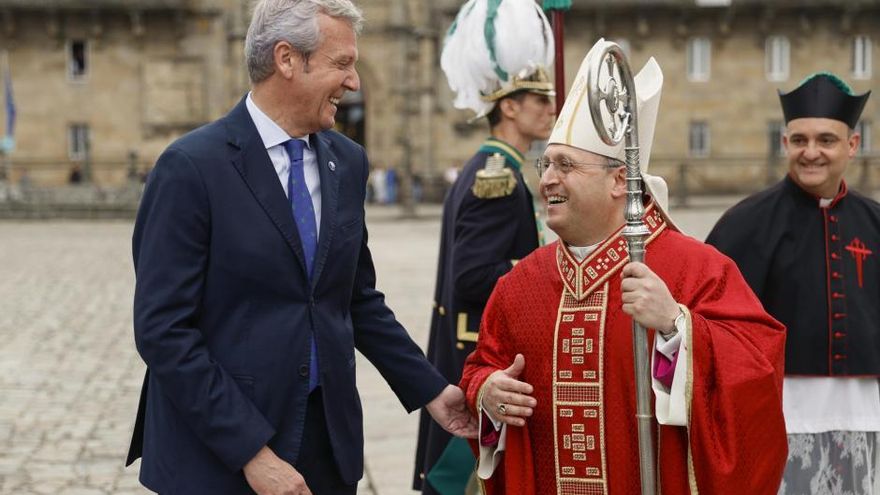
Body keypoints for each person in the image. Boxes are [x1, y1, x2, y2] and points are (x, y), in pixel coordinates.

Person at [125, 1, 476, 494]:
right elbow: (163, 330)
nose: (354, 82)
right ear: (287, 60)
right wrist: (250, 451)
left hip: (326, 446)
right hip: (218, 455)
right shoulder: (190, 167)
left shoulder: (348, 162)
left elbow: (355, 298)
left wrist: (433, 389)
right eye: (342, 63)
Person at [459, 39, 789, 494]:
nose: (548, 179)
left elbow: (758, 372)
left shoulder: (695, 269)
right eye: (546, 164)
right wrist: (488, 392)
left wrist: (678, 328)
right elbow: (480, 367)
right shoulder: (520, 285)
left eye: (566, 165)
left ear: (620, 180)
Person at [706, 73, 879, 494]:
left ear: (852, 145)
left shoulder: (875, 222)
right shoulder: (743, 225)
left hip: (868, 413)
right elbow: (711, 328)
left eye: (826, 140)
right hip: (780, 415)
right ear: (785, 143)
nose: (811, 152)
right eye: (799, 140)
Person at [412, 0, 555, 492]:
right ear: (509, 106)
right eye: (540, 101)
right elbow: (471, 276)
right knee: (462, 480)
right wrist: (543, 270)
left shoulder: (501, 169)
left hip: (476, 352)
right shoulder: (496, 178)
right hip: (477, 356)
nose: (551, 110)